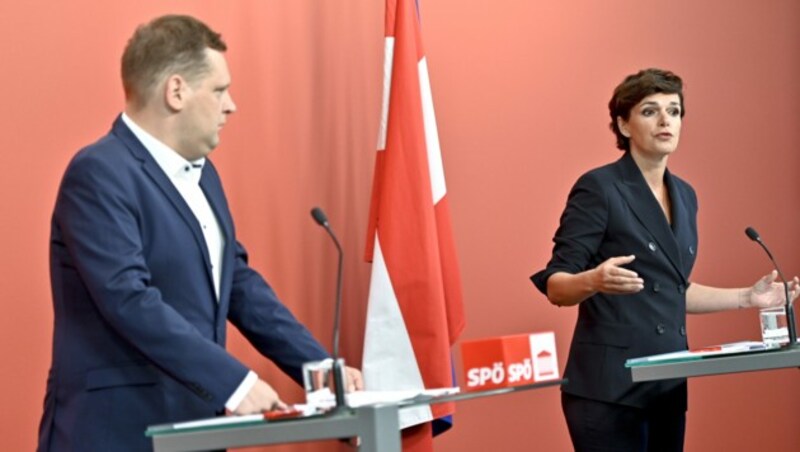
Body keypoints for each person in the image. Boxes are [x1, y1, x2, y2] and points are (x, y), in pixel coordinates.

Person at [37, 14, 363, 452]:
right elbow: (128, 298)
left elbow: (238, 287)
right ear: (176, 91)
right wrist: (235, 382)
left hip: (195, 432)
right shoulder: (98, 173)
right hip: (117, 433)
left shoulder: (204, 177)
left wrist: (321, 369)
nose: (231, 105)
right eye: (219, 90)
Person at [531, 68, 799, 452]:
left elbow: (673, 291)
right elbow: (556, 286)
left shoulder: (686, 195)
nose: (665, 121)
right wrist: (594, 280)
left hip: (667, 383)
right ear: (623, 125)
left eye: (674, 111)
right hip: (608, 391)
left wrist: (747, 298)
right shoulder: (600, 188)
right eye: (649, 111)